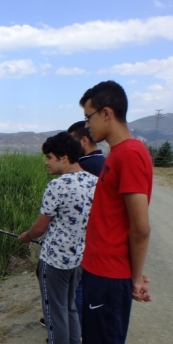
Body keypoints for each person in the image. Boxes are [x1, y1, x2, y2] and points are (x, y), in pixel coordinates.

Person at [79, 80, 153, 344]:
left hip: (109, 279)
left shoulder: (129, 154)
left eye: (88, 117)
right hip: (99, 274)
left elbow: (140, 228)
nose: (86, 126)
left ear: (106, 113)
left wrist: (136, 278)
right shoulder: (117, 154)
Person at [18, 131, 97, 344]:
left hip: (54, 262)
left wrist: (27, 236)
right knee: (71, 306)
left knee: (54, 313)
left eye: (49, 157)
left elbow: (40, 227)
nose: (46, 162)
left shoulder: (57, 186)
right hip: (78, 260)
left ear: (64, 157)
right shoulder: (94, 182)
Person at [67, 121, 106, 330]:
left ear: (83, 140)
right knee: (85, 286)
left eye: (72, 142)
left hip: (85, 240)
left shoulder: (85, 167)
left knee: (78, 289)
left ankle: (77, 331)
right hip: (96, 239)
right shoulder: (104, 162)